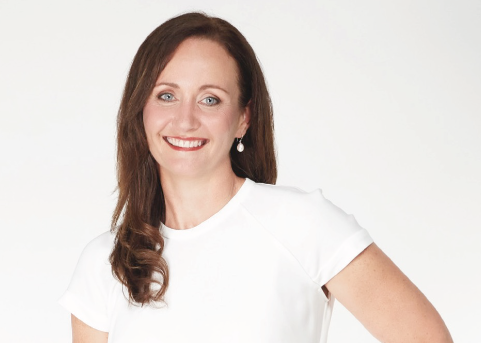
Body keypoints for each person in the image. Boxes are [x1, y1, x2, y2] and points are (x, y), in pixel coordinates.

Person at [59, 12, 453, 343]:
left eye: (210, 99)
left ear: (243, 119)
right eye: (166, 95)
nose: (185, 119)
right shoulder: (105, 264)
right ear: (140, 109)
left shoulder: (303, 225)